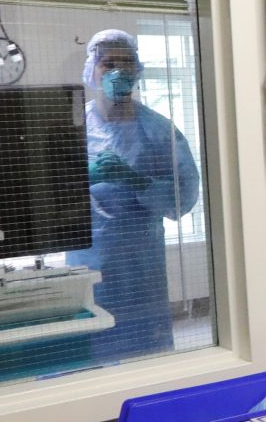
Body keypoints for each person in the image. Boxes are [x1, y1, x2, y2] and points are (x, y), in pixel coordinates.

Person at [68, 29, 202, 363]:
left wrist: (138, 182)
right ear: (91, 71)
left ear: (138, 70)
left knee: (146, 352)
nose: (117, 71)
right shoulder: (72, 126)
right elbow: (44, 192)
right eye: (107, 63)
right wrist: (86, 176)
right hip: (88, 257)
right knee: (91, 341)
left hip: (141, 261)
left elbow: (184, 196)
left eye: (126, 63)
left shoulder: (158, 130)